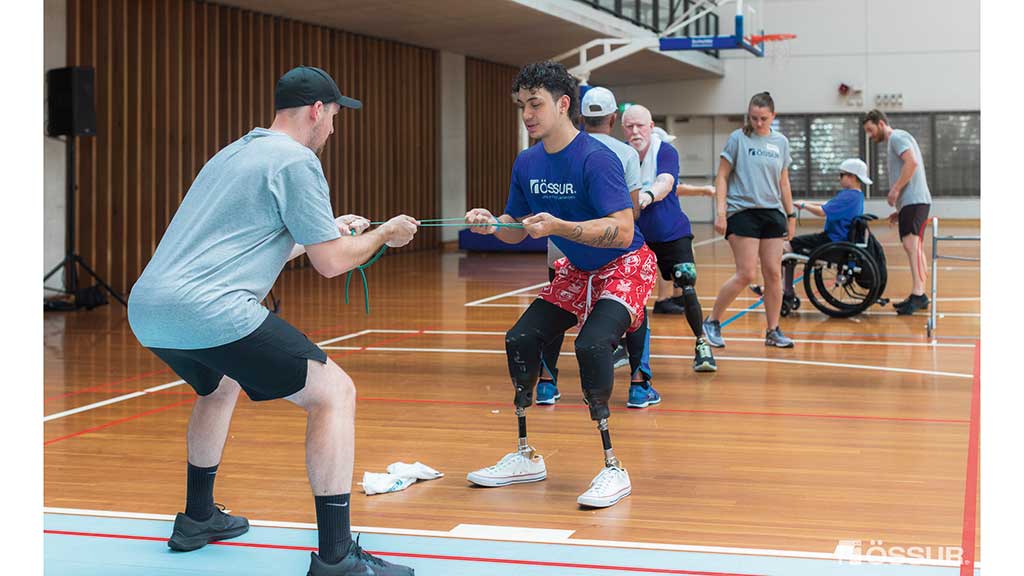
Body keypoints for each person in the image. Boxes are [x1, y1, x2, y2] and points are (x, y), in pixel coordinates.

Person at [127, 66, 418, 576]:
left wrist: (330, 230)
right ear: (315, 111)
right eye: (333, 116)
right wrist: (383, 235)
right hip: (209, 309)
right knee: (334, 394)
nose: (333, 127)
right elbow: (332, 264)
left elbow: (262, 246)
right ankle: (336, 558)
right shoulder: (298, 160)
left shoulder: (236, 152)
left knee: (218, 386)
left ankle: (198, 519)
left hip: (149, 309)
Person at [464, 61, 657, 508]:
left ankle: (613, 467)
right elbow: (516, 226)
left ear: (563, 104)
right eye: (522, 106)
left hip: (626, 265)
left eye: (536, 104)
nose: (527, 115)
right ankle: (525, 456)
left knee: (591, 346)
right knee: (521, 338)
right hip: (577, 269)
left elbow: (624, 231)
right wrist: (493, 225)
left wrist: (561, 228)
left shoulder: (597, 158)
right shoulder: (527, 162)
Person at [537, 86, 641, 406]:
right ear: (613, 118)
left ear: (581, 117)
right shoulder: (625, 154)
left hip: (562, 246)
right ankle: (638, 383)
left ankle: (545, 382)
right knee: (633, 311)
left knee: (557, 309)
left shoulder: (561, 150)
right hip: (611, 250)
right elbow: (631, 212)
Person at [621, 104, 717, 373]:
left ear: (651, 127)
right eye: (629, 126)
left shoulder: (665, 151)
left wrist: (646, 197)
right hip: (637, 236)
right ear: (623, 128)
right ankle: (625, 346)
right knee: (627, 293)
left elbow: (665, 182)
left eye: (640, 125)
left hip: (671, 233)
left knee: (686, 283)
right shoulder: (620, 155)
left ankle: (702, 343)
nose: (635, 131)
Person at [702, 91, 797, 349]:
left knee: (774, 274)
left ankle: (773, 330)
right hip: (742, 212)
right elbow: (721, 177)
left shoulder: (781, 142)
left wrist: (791, 215)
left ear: (772, 116)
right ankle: (711, 321)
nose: (757, 123)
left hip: (772, 213)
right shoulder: (738, 139)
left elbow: (784, 181)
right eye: (753, 118)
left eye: (763, 118)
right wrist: (721, 212)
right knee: (746, 273)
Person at [862, 109, 932, 315]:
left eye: (870, 130)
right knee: (914, 247)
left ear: (881, 124)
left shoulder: (897, 137)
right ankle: (919, 293)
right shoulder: (898, 139)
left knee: (912, 246)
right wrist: (901, 210)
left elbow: (912, 163)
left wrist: (896, 189)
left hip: (915, 201)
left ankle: (919, 295)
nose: (869, 135)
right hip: (912, 203)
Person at [787, 158, 869, 254]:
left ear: (852, 177)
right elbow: (828, 204)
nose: (839, 178)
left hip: (834, 239)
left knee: (794, 243)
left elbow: (822, 211)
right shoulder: (857, 195)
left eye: (842, 175)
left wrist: (805, 205)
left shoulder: (848, 196)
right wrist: (806, 203)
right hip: (841, 238)